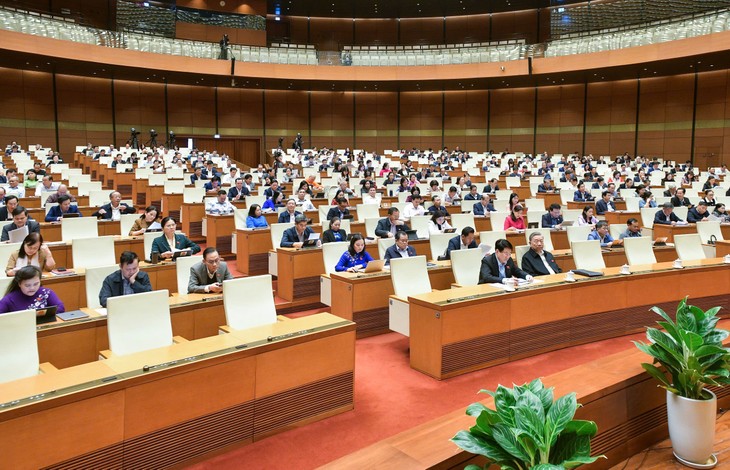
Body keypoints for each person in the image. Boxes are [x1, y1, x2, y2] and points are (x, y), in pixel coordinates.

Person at [0, 265, 65, 314]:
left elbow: (61, 308)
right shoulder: (10, 299)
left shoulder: (46, 293)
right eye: (27, 285)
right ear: (19, 284)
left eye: (36, 284)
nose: (32, 288)